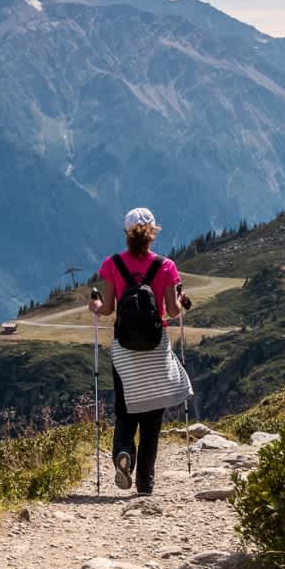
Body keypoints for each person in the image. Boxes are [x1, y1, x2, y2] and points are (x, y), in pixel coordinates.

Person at [89, 206, 192, 494]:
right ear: (153, 233)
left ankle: (124, 453)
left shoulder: (112, 264)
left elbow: (107, 309)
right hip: (156, 347)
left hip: (124, 348)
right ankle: (145, 482)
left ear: (126, 233)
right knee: (152, 415)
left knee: (125, 410)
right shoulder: (166, 266)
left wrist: (94, 305)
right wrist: (181, 300)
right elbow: (171, 310)